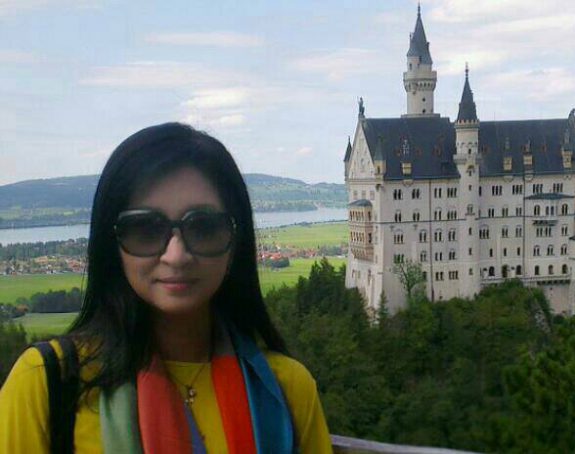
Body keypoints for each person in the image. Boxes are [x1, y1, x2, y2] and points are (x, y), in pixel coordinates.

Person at [0, 123, 333, 453]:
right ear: (112, 244)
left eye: (204, 227)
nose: (176, 256)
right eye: (145, 229)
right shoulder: (49, 382)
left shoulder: (287, 389)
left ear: (236, 240)